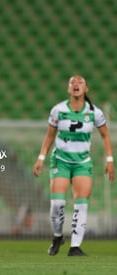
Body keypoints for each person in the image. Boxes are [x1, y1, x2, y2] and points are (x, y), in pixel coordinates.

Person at [32, 75, 115, 257]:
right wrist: (41, 158)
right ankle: (57, 236)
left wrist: (110, 161)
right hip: (60, 160)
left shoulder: (95, 113)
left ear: (86, 89)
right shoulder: (58, 110)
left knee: (81, 205)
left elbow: (105, 136)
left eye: (80, 82)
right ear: (69, 89)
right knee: (57, 204)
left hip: (82, 163)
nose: (76, 84)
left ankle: (75, 247)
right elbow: (49, 136)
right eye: (72, 82)